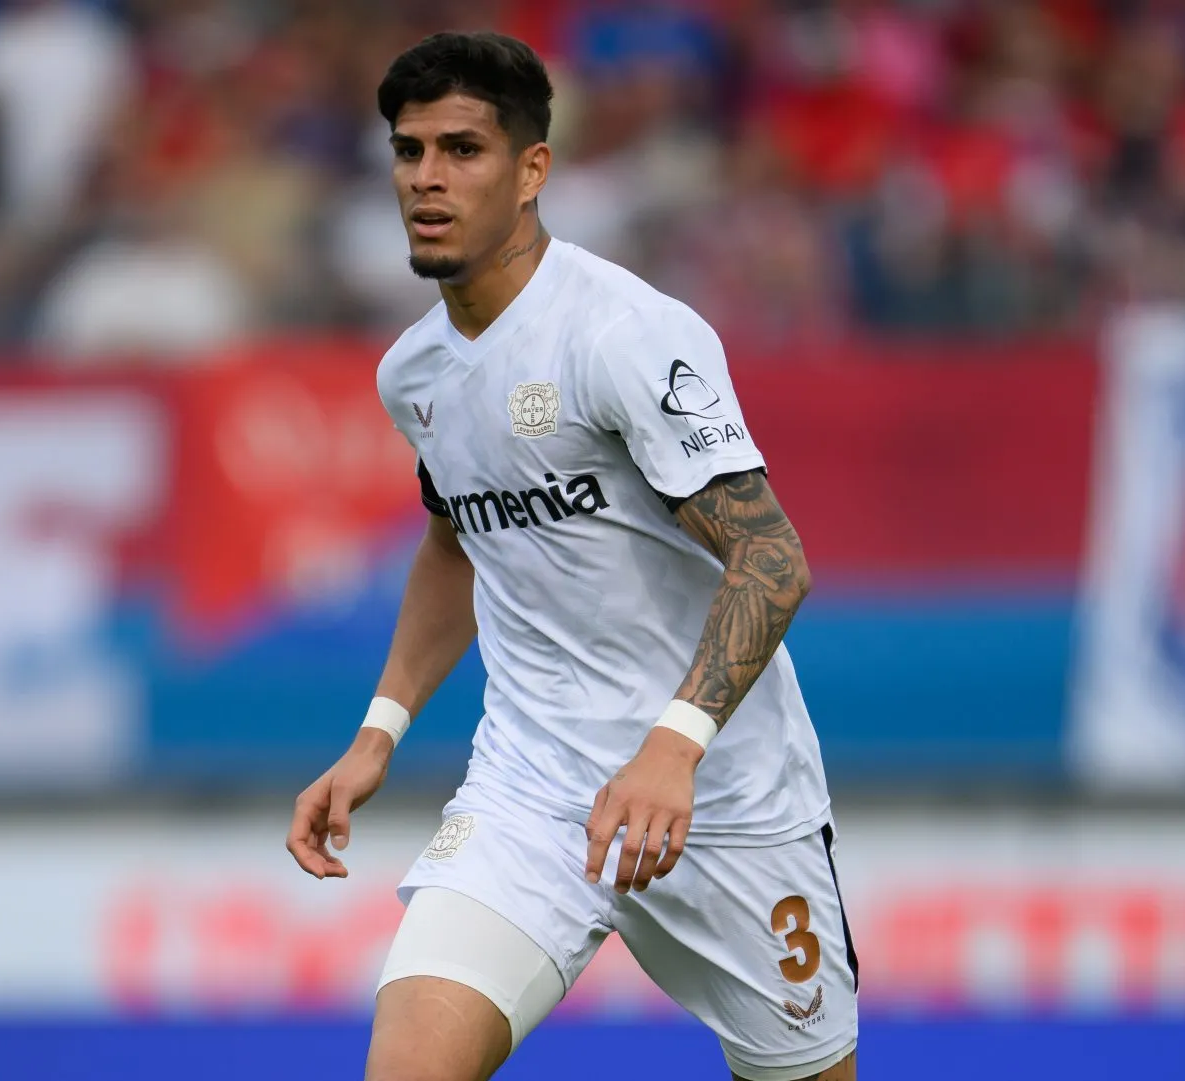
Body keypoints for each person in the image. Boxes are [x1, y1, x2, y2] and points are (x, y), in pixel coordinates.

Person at [285, 31, 856, 1081]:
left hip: (722, 797)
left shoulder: (626, 335)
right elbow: (457, 542)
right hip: (532, 789)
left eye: (463, 150)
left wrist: (673, 746)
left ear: (533, 168)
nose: (427, 179)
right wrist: (380, 731)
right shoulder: (412, 372)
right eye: (409, 152)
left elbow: (773, 558)